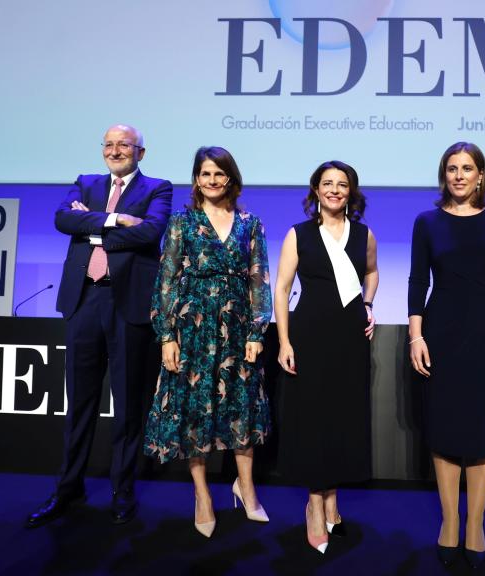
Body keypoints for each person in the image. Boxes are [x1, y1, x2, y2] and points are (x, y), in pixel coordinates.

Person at [26, 124, 173, 528]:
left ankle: (122, 491)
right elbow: (62, 221)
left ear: (140, 152)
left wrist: (92, 226)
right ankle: (67, 487)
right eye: (109, 144)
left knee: (127, 406)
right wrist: (115, 220)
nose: (115, 150)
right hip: (84, 300)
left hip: (127, 303)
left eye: (124, 144)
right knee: (80, 404)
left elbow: (151, 231)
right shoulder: (84, 182)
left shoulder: (158, 188)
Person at [407, 142, 485, 568]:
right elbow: (417, 281)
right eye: (452, 168)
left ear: (480, 175)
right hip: (440, 332)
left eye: (467, 168)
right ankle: (450, 521)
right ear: (445, 175)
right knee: (444, 429)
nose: (459, 175)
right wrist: (415, 337)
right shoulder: (427, 222)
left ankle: (475, 522)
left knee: (483, 435)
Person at [144, 146, 273, 539]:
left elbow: (259, 280)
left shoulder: (250, 223)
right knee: (194, 408)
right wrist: (166, 335)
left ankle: (245, 488)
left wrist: (256, 331)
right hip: (193, 326)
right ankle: (202, 495)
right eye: (205, 174)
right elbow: (165, 280)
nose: (213, 181)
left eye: (220, 174)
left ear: (231, 179)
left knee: (242, 405)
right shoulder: (182, 222)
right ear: (196, 179)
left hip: (236, 329)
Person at [274, 160, 378, 554]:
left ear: (352, 191)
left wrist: (368, 304)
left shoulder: (364, 235)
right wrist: (284, 342)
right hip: (309, 336)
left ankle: (332, 499)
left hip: (349, 339)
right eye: (327, 183)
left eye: (343, 184)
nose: (335, 190)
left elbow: (372, 273)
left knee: (341, 419)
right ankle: (314, 506)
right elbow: (282, 290)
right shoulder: (298, 235)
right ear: (315, 189)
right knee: (313, 419)